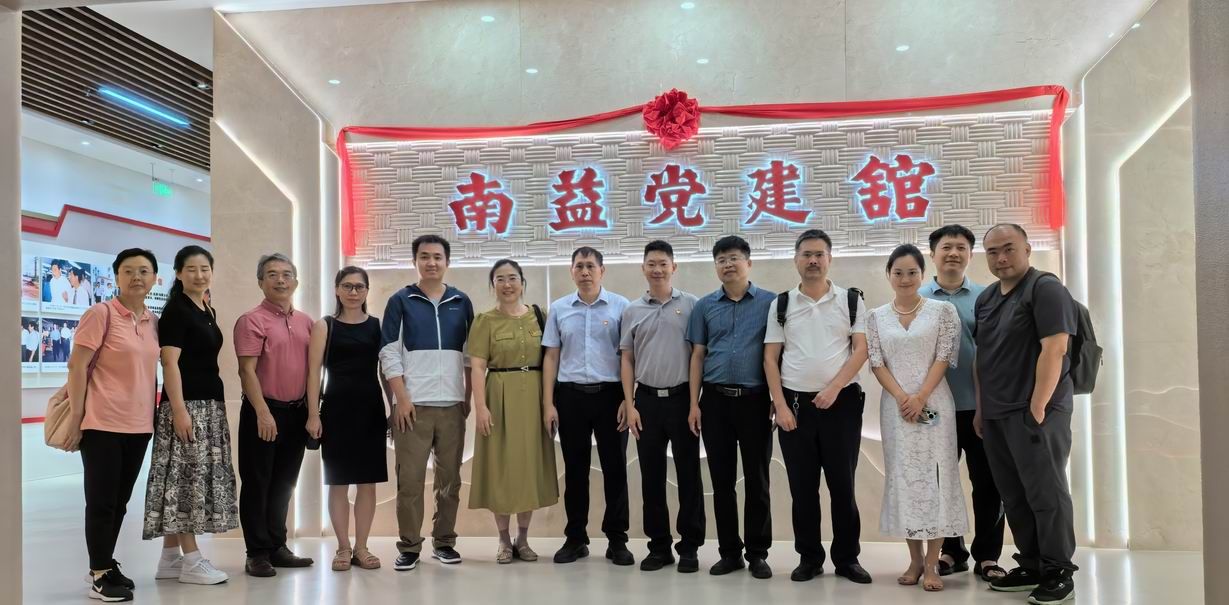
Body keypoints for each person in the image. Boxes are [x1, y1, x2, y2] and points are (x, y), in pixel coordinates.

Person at [975, 224, 1079, 604]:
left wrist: (1037, 407)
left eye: (1009, 249)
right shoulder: (986, 298)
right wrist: (982, 410)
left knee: (1046, 492)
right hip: (997, 415)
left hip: (1036, 412)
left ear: (1027, 249)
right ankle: (1032, 563)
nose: (1001, 258)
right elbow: (983, 357)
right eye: (992, 252)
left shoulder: (1045, 288)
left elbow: (1055, 349)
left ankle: (1058, 571)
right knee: (1014, 494)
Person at [763, 229, 872, 584]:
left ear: (829, 258)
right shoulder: (782, 304)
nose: (813, 260)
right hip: (795, 407)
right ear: (796, 260)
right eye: (806, 254)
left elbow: (861, 349)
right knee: (803, 489)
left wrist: (834, 388)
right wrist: (780, 406)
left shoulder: (850, 300)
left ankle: (847, 559)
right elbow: (770, 358)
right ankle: (809, 558)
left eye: (819, 254)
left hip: (842, 405)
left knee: (843, 486)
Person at [866, 244, 968, 592]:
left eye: (912, 272)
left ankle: (932, 563)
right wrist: (902, 398)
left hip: (935, 403)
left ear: (922, 275)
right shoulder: (876, 316)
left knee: (937, 478)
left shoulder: (943, 312)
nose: (905, 278)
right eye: (898, 272)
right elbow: (877, 362)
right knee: (905, 477)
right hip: (895, 409)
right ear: (889, 276)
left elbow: (944, 357)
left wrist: (921, 396)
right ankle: (914, 560)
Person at [63, 248, 161, 603]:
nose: (137, 277)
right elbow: (77, 367)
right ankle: (100, 574)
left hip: (139, 425)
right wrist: (77, 418)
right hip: (102, 422)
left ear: (154, 279)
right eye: (129, 270)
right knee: (102, 501)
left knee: (119, 501)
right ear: (116, 276)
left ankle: (103, 563)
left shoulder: (152, 321)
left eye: (144, 271)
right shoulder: (100, 314)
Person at [143, 245, 237, 586]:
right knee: (187, 480)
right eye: (191, 269)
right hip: (187, 407)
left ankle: (170, 559)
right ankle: (193, 559)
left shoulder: (205, 307)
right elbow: (169, 362)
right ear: (179, 273)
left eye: (204, 268)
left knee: (186, 476)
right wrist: (179, 410)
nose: (199, 275)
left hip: (208, 405)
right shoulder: (176, 311)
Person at [381, 235, 474, 571]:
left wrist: (466, 398)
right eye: (424, 256)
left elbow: (470, 355)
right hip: (412, 407)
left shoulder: (461, 301)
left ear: (447, 262)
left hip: (451, 405)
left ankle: (444, 542)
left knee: (450, 481)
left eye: (437, 256)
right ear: (415, 261)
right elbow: (389, 352)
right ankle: (409, 546)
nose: (431, 262)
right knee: (410, 481)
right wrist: (401, 399)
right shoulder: (400, 300)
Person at [687, 235, 775, 579]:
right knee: (721, 482)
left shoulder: (771, 303)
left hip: (755, 402)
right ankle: (729, 553)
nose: (728, 264)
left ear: (748, 263)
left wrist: (776, 398)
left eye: (734, 258)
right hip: (715, 402)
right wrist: (693, 404)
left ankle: (757, 554)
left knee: (758, 480)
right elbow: (697, 355)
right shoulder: (704, 306)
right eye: (721, 259)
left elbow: (777, 355)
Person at [922, 225, 1006, 582]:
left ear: (971, 255)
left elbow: (994, 351)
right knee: (941, 484)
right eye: (946, 247)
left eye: (960, 247)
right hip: (934, 409)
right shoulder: (919, 298)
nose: (953, 253)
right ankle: (951, 551)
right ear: (933, 254)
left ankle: (987, 556)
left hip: (980, 407)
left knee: (988, 483)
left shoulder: (989, 297)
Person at [542, 247, 633, 566]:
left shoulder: (621, 306)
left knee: (615, 469)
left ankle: (617, 540)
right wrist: (548, 403)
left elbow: (628, 357)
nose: (585, 272)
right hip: (570, 398)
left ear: (602, 271)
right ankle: (576, 538)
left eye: (590, 266)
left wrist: (629, 400)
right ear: (571, 271)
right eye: (579, 266)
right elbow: (551, 356)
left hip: (611, 397)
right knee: (575, 470)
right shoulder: (559, 308)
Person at [618, 240, 703, 573]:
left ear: (673, 267)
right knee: (651, 478)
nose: (657, 269)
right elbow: (627, 359)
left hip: (683, 400)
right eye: (651, 264)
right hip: (647, 403)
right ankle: (659, 547)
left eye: (663, 263)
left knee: (689, 476)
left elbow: (698, 356)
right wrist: (630, 404)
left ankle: (690, 547)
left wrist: (695, 403)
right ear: (643, 268)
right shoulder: (632, 310)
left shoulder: (692, 305)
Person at [468, 259, 559, 564]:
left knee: (528, 467)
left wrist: (549, 404)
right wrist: (480, 407)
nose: (507, 285)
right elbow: (477, 367)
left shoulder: (540, 315)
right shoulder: (484, 320)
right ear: (492, 285)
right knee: (501, 468)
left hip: (534, 396)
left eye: (512, 278)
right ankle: (504, 539)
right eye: (500, 279)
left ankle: (523, 537)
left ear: (522, 282)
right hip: (499, 397)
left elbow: (550, 359)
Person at [233, 253, 316, 577]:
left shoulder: (307, 322)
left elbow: (313, 372)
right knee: (257, 483)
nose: (280, 280)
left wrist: (312, 413)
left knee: (284, 484)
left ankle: (277, 547)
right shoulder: (251, 320)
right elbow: (246, 371)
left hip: (297, 414)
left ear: (296, 281)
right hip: (262, 412)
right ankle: (256, 553)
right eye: (272, 274)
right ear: (260, 282)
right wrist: (263, 413)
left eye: (286, 274)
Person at [307, 266, 388, 572]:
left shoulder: (377, 326)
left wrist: (393, 407)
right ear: (337, 290)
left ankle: (362, 547)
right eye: (347, 286)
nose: (354, 292)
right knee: (338, 482)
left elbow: (385, 371)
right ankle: (343, 547)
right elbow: (313, 373)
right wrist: (313, 414)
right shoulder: (324, 326)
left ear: (367, 291)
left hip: (370, 409)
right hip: (336, 410)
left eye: (359, 287)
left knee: (368, 483)